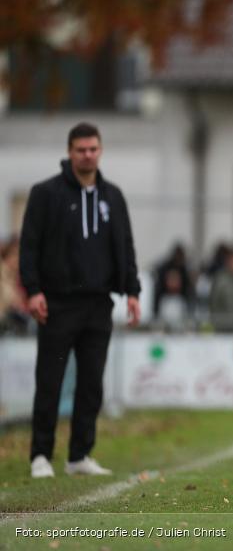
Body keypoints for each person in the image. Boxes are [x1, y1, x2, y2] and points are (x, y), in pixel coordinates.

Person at [19, 122, 141, 479]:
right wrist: (33, 289)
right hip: (57, 304)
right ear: (69, 152)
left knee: (91, 384)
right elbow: (29, 246)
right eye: (80, 149)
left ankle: (79, 455)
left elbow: (126, 245)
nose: (87, 155)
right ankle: (40, 455)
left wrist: (132, 291)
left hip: (99, 304)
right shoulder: (46, 194)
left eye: (93, 149)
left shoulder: (113, 196)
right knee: (51, 381)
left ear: (100, 151)